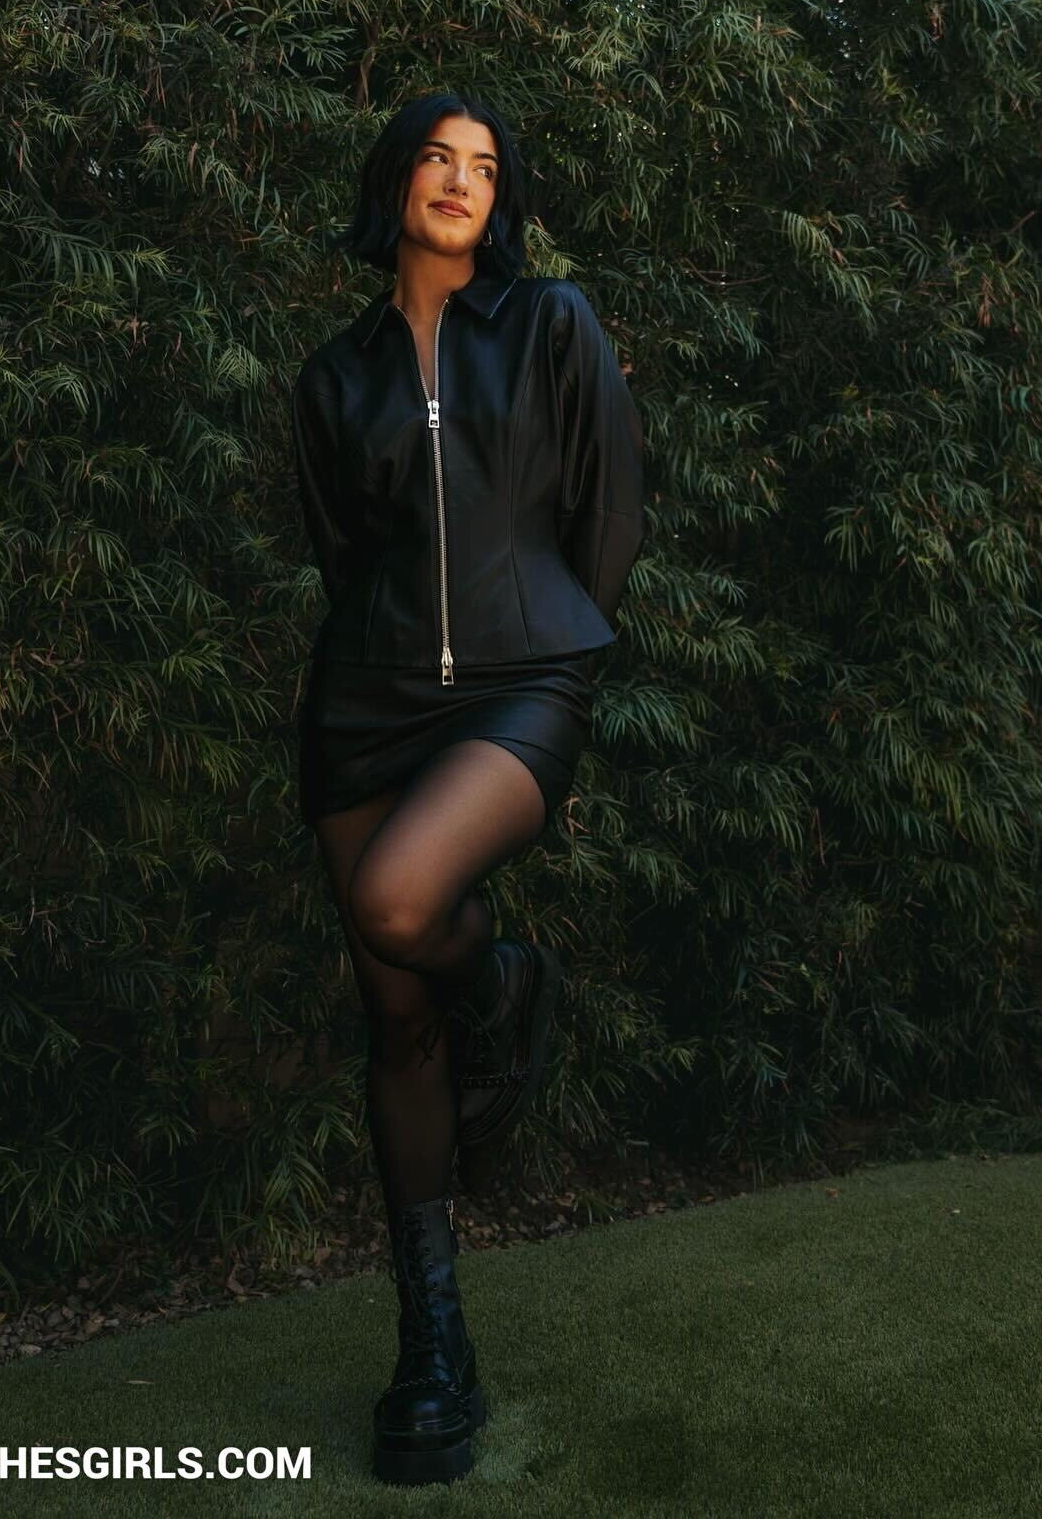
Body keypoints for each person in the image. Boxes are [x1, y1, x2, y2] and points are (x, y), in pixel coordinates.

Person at [290, 91, 647, 1485]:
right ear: (396, 181)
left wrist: (564, 638)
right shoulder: (335, 378)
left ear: (501, 201)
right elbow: (344, 553)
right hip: (366, 705)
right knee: (397, 1026)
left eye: (485, 167)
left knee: (399, 903)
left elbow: (608, 506)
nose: (460, 181)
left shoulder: (551, 323)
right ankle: (431, 1341)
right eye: (438, 159)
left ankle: (500, 977)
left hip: (523, 681)